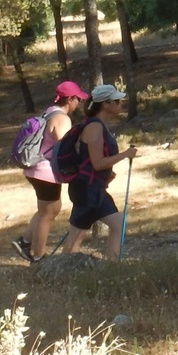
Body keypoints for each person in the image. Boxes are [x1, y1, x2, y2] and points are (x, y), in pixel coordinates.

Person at [56, 84, 139, 261]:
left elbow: (96, 163)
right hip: (87, 189)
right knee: (76, 237)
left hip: (95, 187)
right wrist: (125, 155)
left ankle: (112, 266)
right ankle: (60, 271)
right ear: (106, 104)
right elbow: (98, 163)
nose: (121, 103)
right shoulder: (94, 127)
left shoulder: (99, 125)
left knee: (118, 224)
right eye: (117, 101)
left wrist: (107, 174)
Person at [13, 80, 89, 262]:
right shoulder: (62, 119)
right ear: (69, 99)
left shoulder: (49, 112)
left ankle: (24, 242)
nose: (79, 103)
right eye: (78, 99)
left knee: (45, 210)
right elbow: (64, 147)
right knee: (49, 212)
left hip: (34, 168)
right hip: (45, 172)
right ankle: (39, 256)